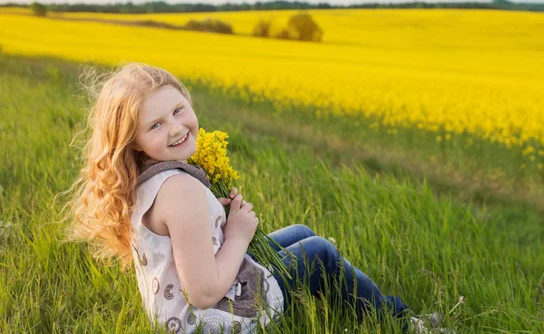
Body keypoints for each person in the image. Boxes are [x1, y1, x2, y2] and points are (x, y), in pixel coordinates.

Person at [63, 62, 448, 334]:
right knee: (319, 254)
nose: (178, 128)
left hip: (175, 315)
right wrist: (237, 234)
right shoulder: (179, 192)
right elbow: (204, 292)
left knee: (299, 231)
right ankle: (401, 324)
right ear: (134, 140)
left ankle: (340, 310)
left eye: (178, 110)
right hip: (215, 319)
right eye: (157, 124)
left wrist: (221, 224)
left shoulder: (148, 177)